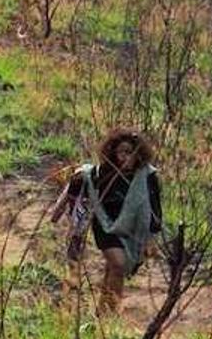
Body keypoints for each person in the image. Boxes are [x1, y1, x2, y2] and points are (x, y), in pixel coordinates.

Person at [48, 130, 165, 313]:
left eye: (130, 152)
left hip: (133, 229)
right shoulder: (102, 174)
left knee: (113, 269)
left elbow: (155, 208)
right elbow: (78, 191)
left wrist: (152, 237)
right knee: (119, 264)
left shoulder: (148, 177)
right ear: (113, 153)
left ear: (139, 154)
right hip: (105, 226)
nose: (125, 157)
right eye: (121, 152)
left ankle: (103, 309)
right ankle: (113, 312)